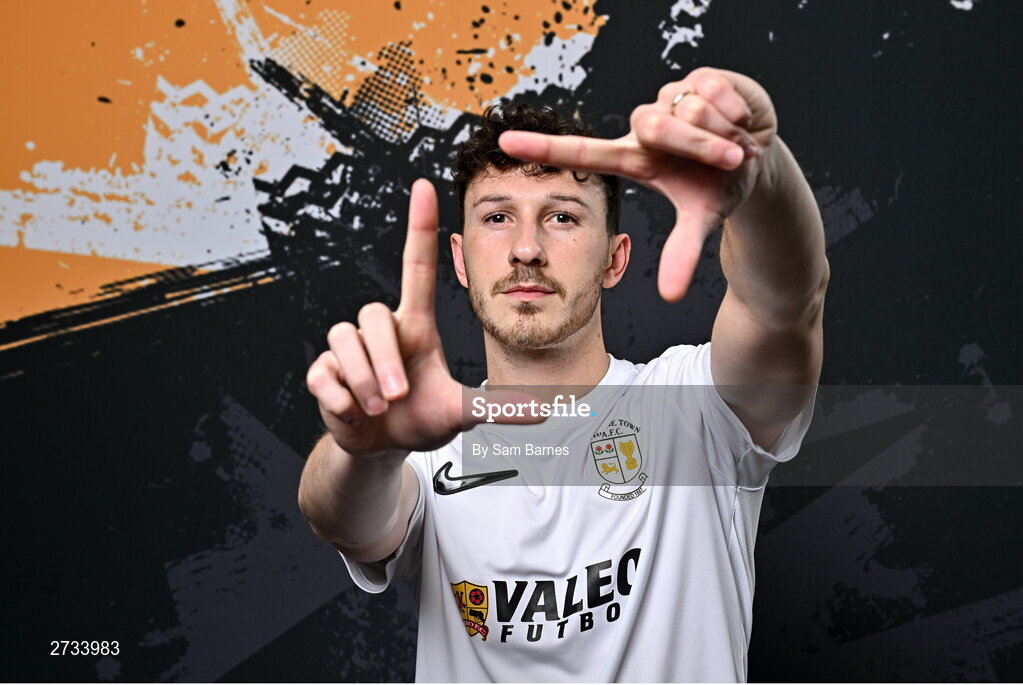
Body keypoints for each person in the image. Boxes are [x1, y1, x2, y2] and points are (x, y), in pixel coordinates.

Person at [299, 66, 829, 682]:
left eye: (563, 217)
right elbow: (339, 517)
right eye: (497, 217)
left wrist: (758, 178)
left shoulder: (695, 410)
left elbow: (785, 302)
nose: (526, 248)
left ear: (615, 257)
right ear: (461, 260)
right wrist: (364, 450)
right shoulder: (423, 447)